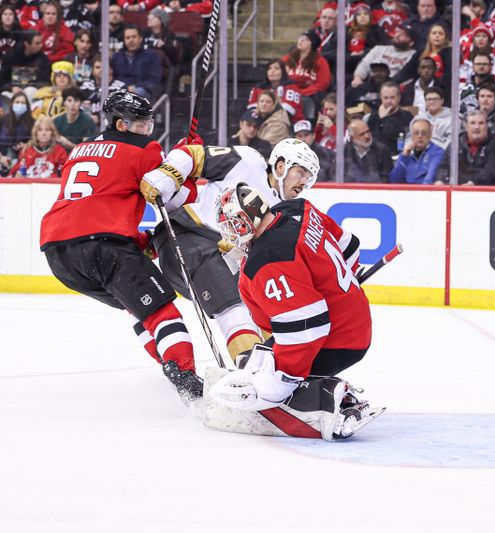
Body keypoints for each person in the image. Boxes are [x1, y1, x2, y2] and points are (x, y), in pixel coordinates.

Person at [38, 91, 203, 399]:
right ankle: (187, 382)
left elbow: (99, 199)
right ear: (120, 124)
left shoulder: (80, 150)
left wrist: (139, 240)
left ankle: (173, 367)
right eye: (140, 125)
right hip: (102, 245)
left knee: (137, 307)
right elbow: (168, 196)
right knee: (161, 311)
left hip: (57, 251)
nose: (146, 131)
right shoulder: (145, 149)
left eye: (148, 125)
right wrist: (186, 164)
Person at [207, 182, 381, 441]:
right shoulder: (296, 209)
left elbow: (307, 327)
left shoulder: (269, 259)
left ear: (245, 222)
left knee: (269, 385)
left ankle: (332, 401)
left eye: (232, 226)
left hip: (339, 338)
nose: (229, 235)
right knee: (257, 359)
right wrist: (334, 288)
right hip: (351, 317)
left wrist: (282, 379)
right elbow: (350, 246)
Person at [150, 139, 324, 366]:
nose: (304, 181)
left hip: (218, 260)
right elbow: (194, 155)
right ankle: (250, 372)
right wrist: (168, 174)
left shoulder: (284, 214)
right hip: (188, 236)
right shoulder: (248, 161)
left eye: (309, 177)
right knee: (237, 309)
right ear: (281, 165)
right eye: (300, 172)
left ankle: (277, 371)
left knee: (265, 313)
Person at [437, 109, 495, 185]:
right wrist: (440, 180)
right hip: (458, 190)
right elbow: (444, 166)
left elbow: (492, 171)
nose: (477, 127)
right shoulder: (456, 144)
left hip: (486, 192)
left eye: (481, 123)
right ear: (466, 126)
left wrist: (473, 183)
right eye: (473, 123)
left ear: (486, 126)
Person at [351, 21, 416, 86]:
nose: (397, 35)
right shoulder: (379, 49)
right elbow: (364, 65)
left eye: (404, 35)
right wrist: (358, 78)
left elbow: (409, 78)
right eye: (398, 31)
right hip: (372, 85)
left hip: (395, 88)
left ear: (411, 43)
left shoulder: (413, 55)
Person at [110, 24, 162, 100]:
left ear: (140, 39)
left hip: (142, 91)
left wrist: (135, 86)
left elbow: (154, 80)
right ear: (124, 40)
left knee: (138, 92)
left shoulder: (151, 56)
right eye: (128, 38)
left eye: (134, 37)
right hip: (121, 89)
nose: (131, 40)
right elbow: (112, 77)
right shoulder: (117, 56)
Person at [247, 59, 305, 124]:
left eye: (276, 69)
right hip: (262, 122)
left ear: (283, 72)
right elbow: (251, 109)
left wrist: (264, 111)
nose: (272, 71)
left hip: (290, 123)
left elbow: (288, 111)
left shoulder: (291, 87)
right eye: (269, 69)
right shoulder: (258, 87)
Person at [389, 117, 444, 184]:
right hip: (405, 192)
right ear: (411, 135)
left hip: (424, 192)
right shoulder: (406, 153)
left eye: (424, 133)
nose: (420, 136)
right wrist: (404, 157)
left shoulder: (437, 152)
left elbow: (429, 179)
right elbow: (394, 180)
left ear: (430, 135)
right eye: (416, 133)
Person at [366, 81, 413, 156]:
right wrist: (380, 119)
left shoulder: (406, 116)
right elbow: (370, 139)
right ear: (381, 98)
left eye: (392, 97)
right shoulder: (374, 116)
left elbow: (396, 137)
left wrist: (384, 118)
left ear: (398, 98)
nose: (389, 101)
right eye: (386, 98)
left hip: (396, 156)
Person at [282, 29, 332, 99]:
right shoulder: (288, 58)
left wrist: (302, 93)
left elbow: (322, 84)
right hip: (286, 93)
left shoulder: (320, 61)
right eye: (301, 38)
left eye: (306, 39)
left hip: (308, 96)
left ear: (312, 43)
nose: (301, 40)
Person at [0, 30, 50, 99]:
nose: (41, 46)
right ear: (27, 44)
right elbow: (2, 81)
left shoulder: (43, 59)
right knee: (4, 94)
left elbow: (46, 82)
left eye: (41, 42)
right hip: (12, 91)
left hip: (33, 92)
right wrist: (11, 88)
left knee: (30, 91)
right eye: (37, 43)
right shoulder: (10, 57)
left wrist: (26, 87)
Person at [344, 118, 392, 183]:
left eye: (368, 131)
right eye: (362, 134)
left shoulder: (382, 150)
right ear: (352, 138)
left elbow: (386, 178)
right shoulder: (345, 150)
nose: (367, 136)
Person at [0, 92, 34, 170]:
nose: (20, 105)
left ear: (27, 106)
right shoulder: (3, 120)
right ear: (12, 104)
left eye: (23, 103)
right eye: (17, 102)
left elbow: (36, 141)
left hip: (23, 159)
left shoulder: (32, 122)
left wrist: (26, 145)